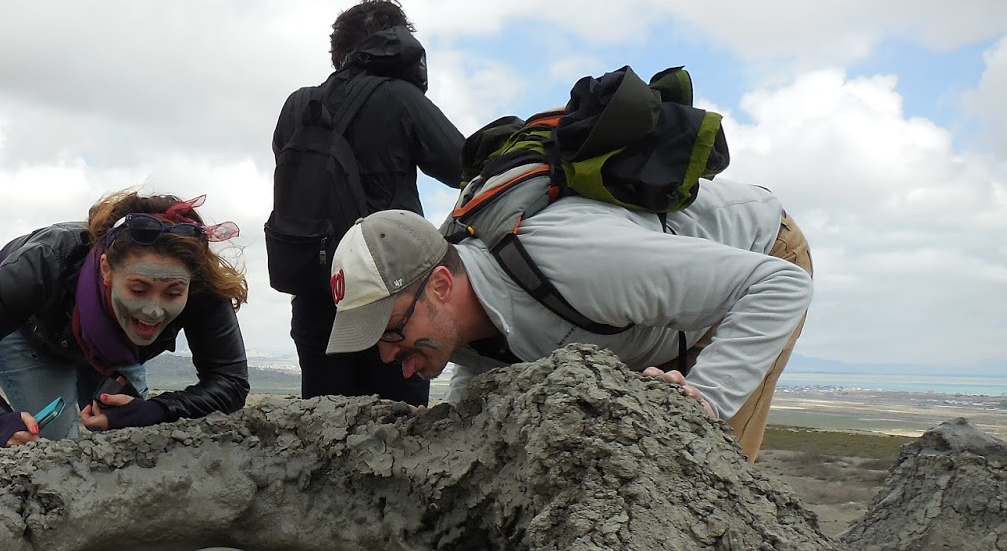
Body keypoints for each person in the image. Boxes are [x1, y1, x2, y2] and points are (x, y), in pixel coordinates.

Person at [323, 179, 814, 462]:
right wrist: (457, 420)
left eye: (391, 332)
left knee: (701, 456)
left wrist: (707, 399)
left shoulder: (577, 261)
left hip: (759, 261)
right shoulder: (462, 312)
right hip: (649, 318)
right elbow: (490, 355)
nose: (388, 356)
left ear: (441, 286)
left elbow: (777, 286)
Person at [0, 191, 251, 452]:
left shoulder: (201, 283)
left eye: (172, 294)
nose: (153, 311)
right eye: (139, 289)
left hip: (114, 346)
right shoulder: (43, 264)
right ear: (107, 269)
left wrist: (160, 411)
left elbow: (230, 381)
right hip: (30, 330)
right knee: (53, 450)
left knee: (131, 443)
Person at [273, 0, 465, 403]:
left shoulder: (297, 106)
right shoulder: (399, 97)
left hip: (317, 292)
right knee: (401, 437)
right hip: (394, 299)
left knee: (324, 433)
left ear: (338, 51)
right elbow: (463, 167)